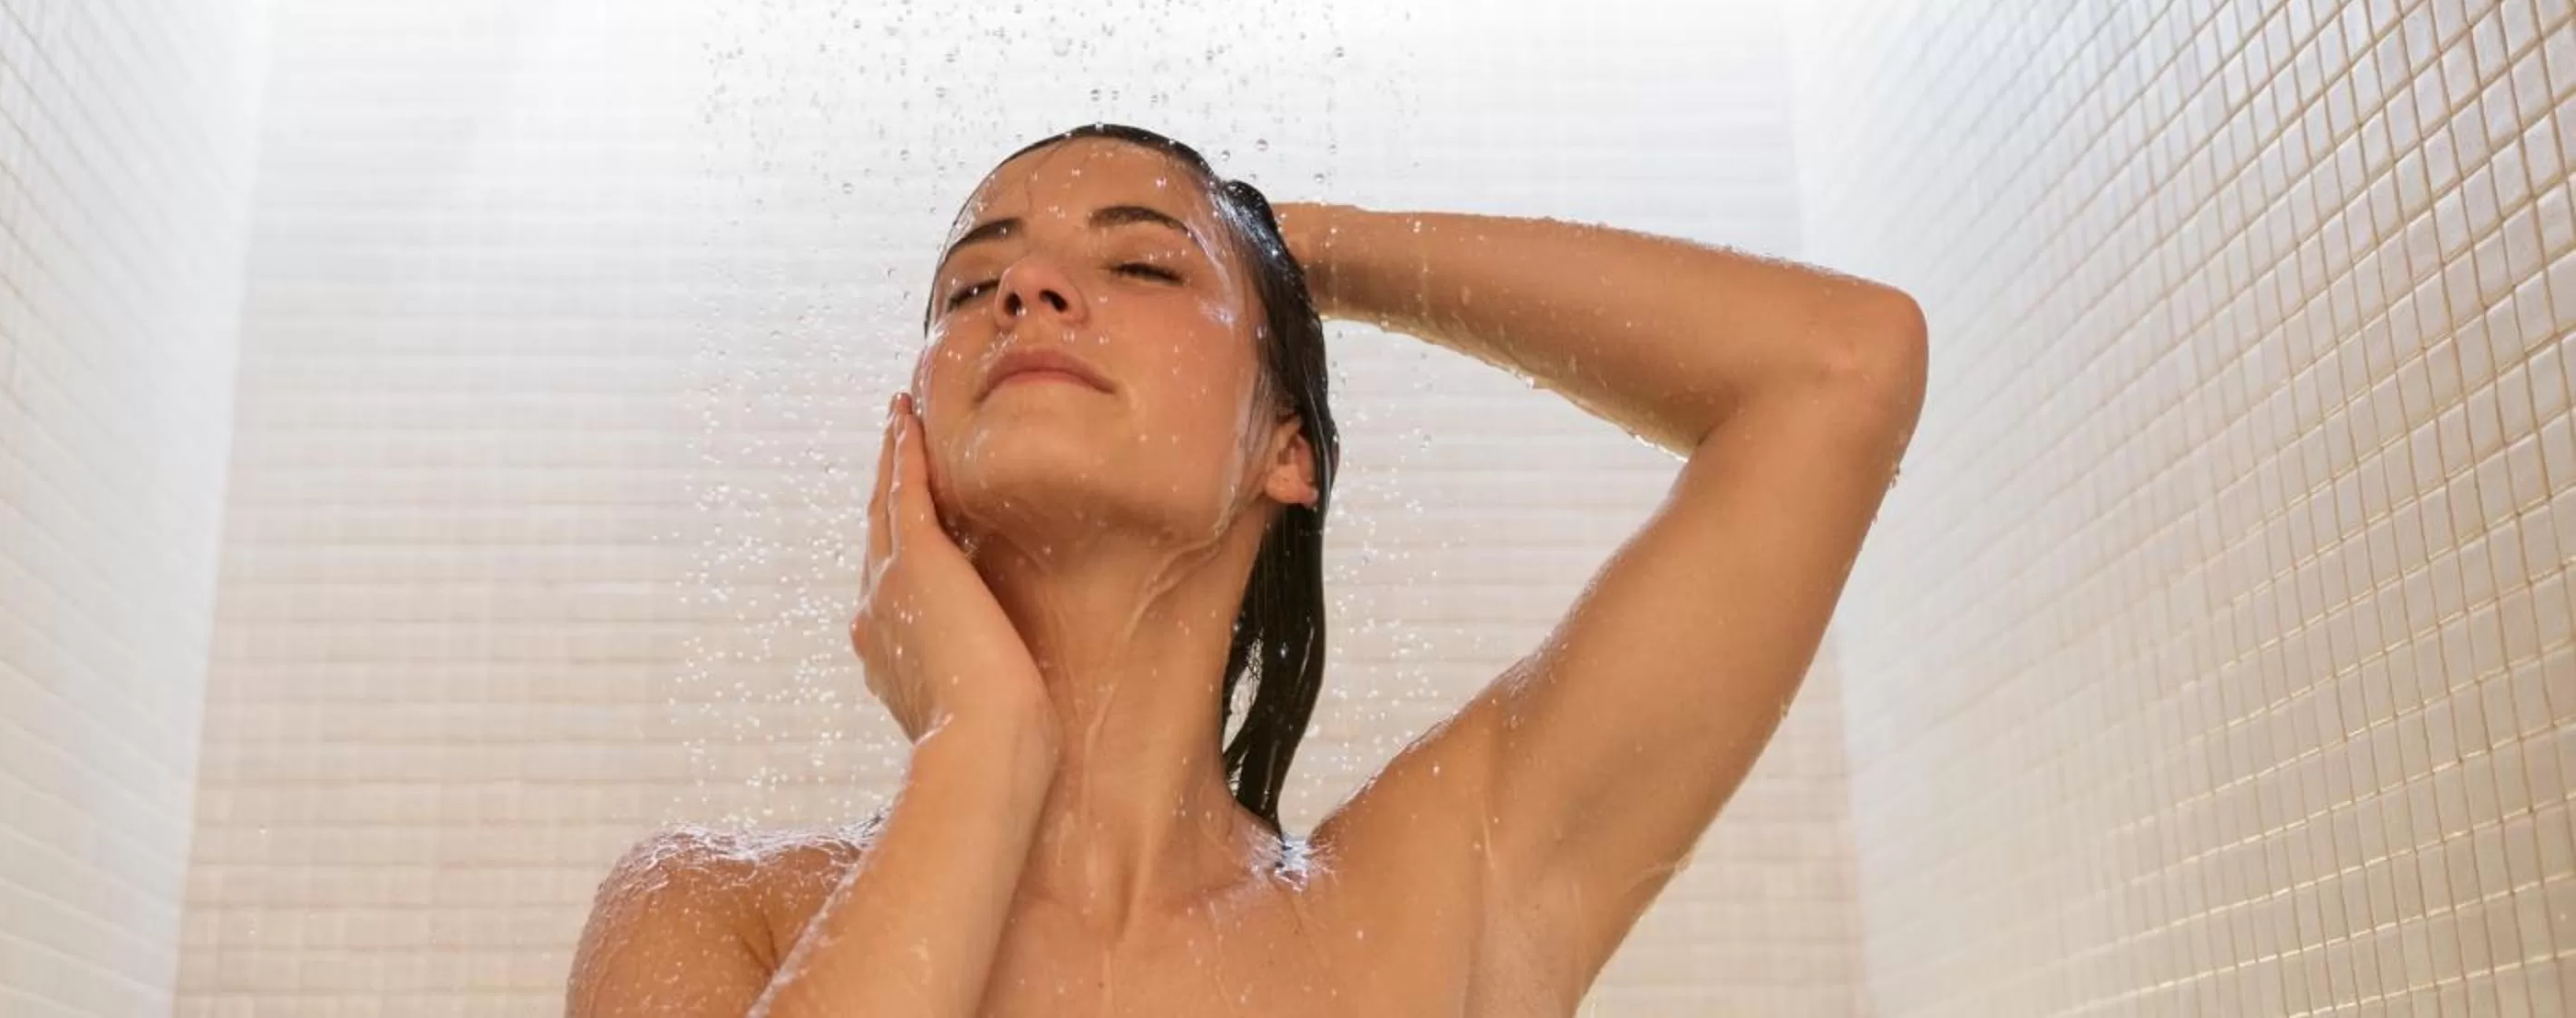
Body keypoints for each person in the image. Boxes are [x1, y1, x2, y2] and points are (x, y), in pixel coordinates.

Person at [568, 124, 1927, 1015]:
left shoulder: (1431, 907)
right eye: (973, 289)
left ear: (1289, 447)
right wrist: (977, 742)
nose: (1029, 292)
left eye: (1144, 267)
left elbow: (1839, 368)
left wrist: (1290, 245)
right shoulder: (713, 915)